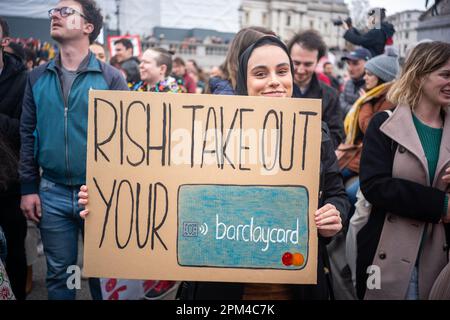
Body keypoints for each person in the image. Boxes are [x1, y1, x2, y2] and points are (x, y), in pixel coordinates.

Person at [176, 35, 349, 300]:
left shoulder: (316, 132)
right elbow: (171, 193)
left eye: (282, 71)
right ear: (245, 82)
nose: (274, 81)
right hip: (224, 289)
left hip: (295, 285)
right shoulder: (212, 133)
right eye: (260, 73)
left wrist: (333, 213)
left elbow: (336, 193)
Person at [19, 0, 129, 300]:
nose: (55, 14)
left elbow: (126, 139)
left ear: (88, 27)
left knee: (103, 273)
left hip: (99, 193)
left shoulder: (111, 79)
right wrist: (29, 187)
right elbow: (27, 134)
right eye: (53, 11)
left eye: (66, 11)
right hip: (52, 192)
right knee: (62, 273)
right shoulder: (37, 77)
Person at [357, 41, 450, 300]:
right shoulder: (384, 124)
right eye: (445, 75)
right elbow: (375, 186)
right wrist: (441, 205)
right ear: (419, 75)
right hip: (389, 254)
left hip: (441, 259)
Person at [341, 51, 399, 214]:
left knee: (352, 193)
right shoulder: (377, 95)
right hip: (360, 153)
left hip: (373, 160)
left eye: (369, 74)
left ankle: (347, 231)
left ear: (382, 77)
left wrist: (365, 102)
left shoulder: (390, 99)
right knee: (330, 174)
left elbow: (370, 128)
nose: (365, 78)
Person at [0, 17, 28, 300]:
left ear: (4, 41)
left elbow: (26, 131)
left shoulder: (23, 80)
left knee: (14, 253)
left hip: (9, 183)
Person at [287, 30, 344, 149]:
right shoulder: (275, 90)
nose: (301, 70)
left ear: (317, 62)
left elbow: (337, 135)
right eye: (296, 63)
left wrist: (312, 144)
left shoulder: (330, 95)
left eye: (307, 64)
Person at [340, 48, 372, 118]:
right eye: (348, 63)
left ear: (368, 63)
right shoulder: (348, 83)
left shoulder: (373, 86)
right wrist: (356, 109)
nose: (350, 68)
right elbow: (340, 103)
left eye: (355, 63)